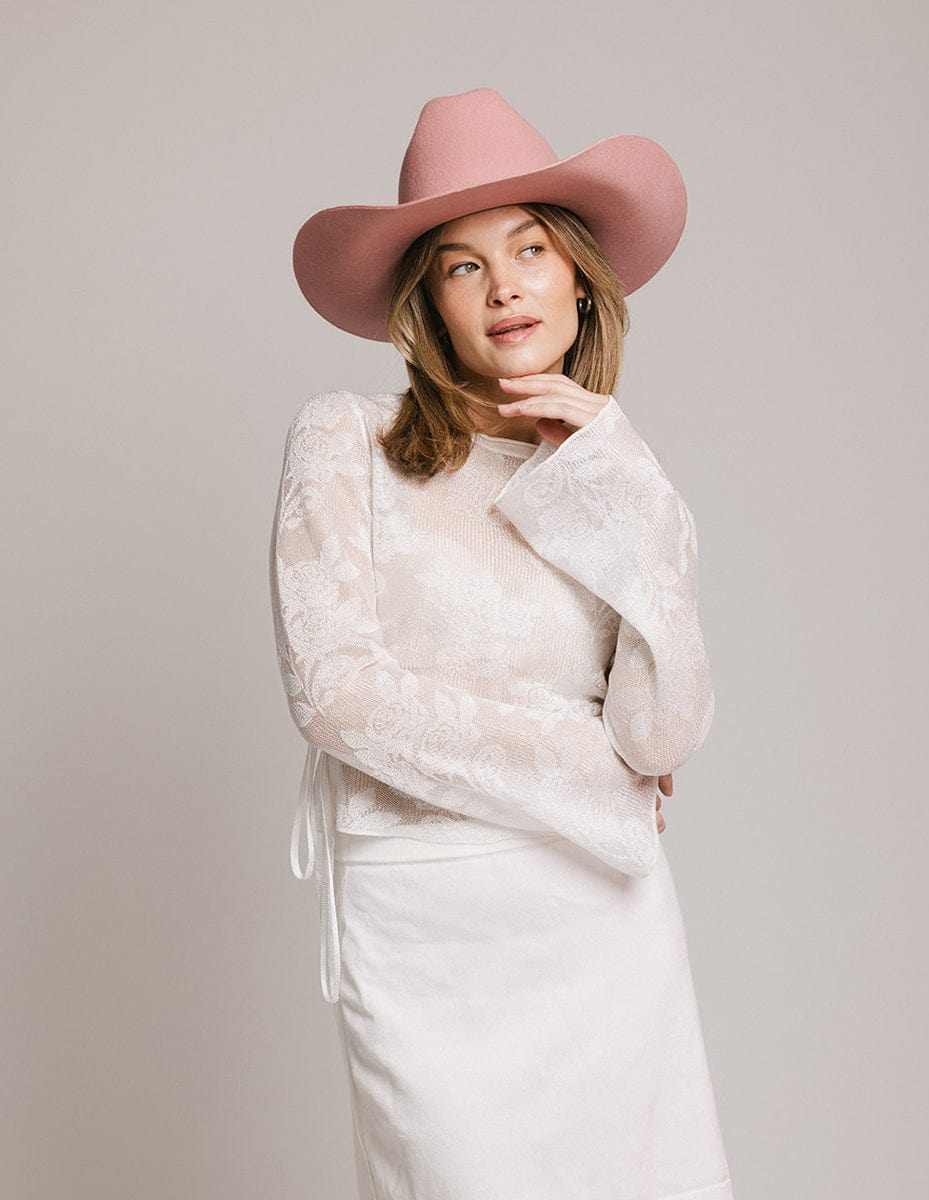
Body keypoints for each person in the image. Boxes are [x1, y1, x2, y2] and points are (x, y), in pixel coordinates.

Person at [269, 87, 734, 1200]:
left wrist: (623, 484)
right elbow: (336, 697)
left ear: (580, 276)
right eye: (462, 265)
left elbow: (661, 733)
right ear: (428, 303)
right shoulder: (349, 438)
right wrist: (597, 772)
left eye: (530, 249)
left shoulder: (619, 483)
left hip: (604, 922)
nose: (505, 285)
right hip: (429, 922)